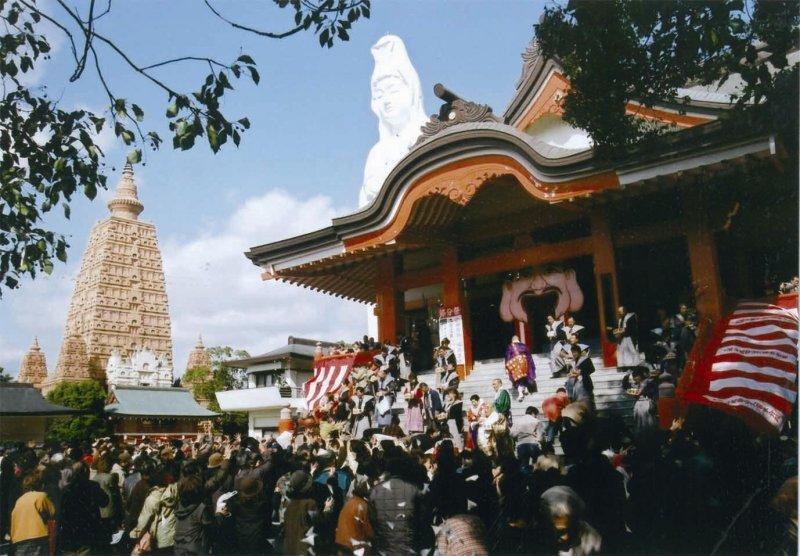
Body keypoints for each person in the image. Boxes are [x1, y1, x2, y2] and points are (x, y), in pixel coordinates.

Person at [368, 453, 428, 554]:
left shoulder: (375, 490)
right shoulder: (412, 489)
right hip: (407, 544)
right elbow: (421, 517)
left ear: (389, 472)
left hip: (384, 545)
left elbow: (371, 519)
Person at [59, 461, 110, 555]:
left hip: (70, 535)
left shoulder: (66, 490)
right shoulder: (92, 486)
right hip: (88, 533)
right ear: (86, 471)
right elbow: (105, 501)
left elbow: (61, 512)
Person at [538, 486, 602, 555]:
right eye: (550, 527)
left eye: (563, 531)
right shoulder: (538, 537)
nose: (561, 536)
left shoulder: (591, 542)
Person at [10, 471, 55, 556]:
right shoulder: (41, 496)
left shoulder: (19, 500)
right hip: (37, 536)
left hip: (18, 539)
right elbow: (52, 513)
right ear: (40, 485)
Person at [174, 474, 213, 556]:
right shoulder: (201, 508)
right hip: (195, 549)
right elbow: (208, 529)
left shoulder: (179, 506)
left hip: (178, 547)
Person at [504, 335, 537, 402]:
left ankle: (520, 394)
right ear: (518, 339)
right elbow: (529, 357)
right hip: (525, 364)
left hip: (516, 365)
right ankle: (526, 389)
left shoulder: (510, 346)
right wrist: (531, 366)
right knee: (526, 376)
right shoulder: (524, 346)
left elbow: (507, 357)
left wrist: (507, 368)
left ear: (512, 340)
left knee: (518, 380)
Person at [612, 305, 639, 370]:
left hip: (629, 337)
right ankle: (622, 366)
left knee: (633, 351)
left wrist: (620, 331)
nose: (620, 313)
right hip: (622, 338)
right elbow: (618, 328)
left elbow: (631, 328)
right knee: (620, 351)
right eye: (619, 312)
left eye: (621, 311)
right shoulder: (620, 319)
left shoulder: (631, 317)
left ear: (625, 311)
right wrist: (616, 333)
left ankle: (636, 365)